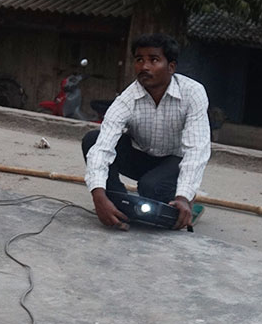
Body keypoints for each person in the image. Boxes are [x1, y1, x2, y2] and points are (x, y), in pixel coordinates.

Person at [82, 33, 211, 230]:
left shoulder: (193, 93)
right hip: (141, 157)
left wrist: (183, 196)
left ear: (171, 67)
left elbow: (196, 149)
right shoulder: (127, 98)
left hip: (173, 163)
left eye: (154, 60)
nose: (144, 67)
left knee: (152, 188)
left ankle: (180, 204)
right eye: (139, 60)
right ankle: (116, 202)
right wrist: (98, 196)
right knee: (92, 139)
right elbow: (102, 147)